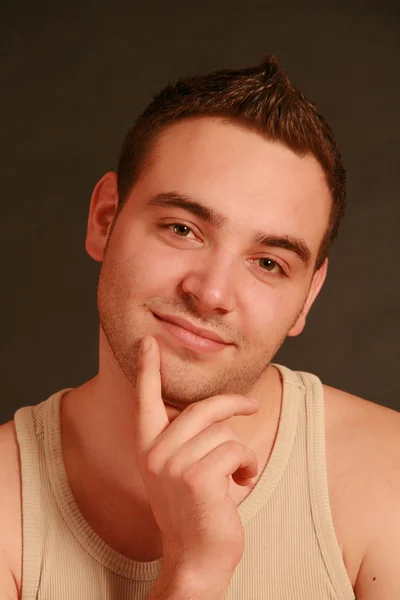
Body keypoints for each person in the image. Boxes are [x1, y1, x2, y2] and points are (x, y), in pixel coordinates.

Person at [0, 55, 399, 600]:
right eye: (183, 228)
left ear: (308, 296)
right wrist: (193, 572)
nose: (210, 294)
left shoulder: (388, 476)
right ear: (104, 219)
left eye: (268, 263)